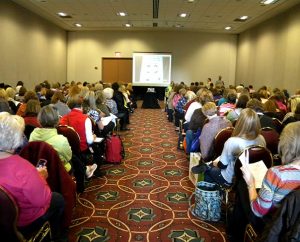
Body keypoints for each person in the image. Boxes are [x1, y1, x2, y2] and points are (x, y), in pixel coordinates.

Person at [0, 112, 65, 241]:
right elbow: (43, 200)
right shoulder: (23, 168)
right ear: (17, 138)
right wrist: (41, 178)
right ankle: (57, 237)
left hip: (2, 222)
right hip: (22, 222)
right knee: (57, 199)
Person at [230, 122, 300, 241]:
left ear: (286, 144)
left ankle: (235, 234)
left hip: (273, 224)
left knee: (242, 185)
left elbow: (259, 211)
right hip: (294, 229)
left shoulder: (277, 173)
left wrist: (251, 183)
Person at [193, 108, 266, 187]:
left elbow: (222, 165)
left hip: (231, 179)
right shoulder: (261, 139)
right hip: (253, 178)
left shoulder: (232, 141)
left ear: (239, 123)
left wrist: (214, 163)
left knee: (208, 171)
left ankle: (209, 196)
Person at [30, 105, 97, 178]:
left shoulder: (32, 135)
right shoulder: (61, 140)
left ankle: (85, 170)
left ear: (39, 119)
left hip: (39, 167)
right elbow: (68, 157)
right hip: (58, 171)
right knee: (73, 157)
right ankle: (84, 171)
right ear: (57, 120)